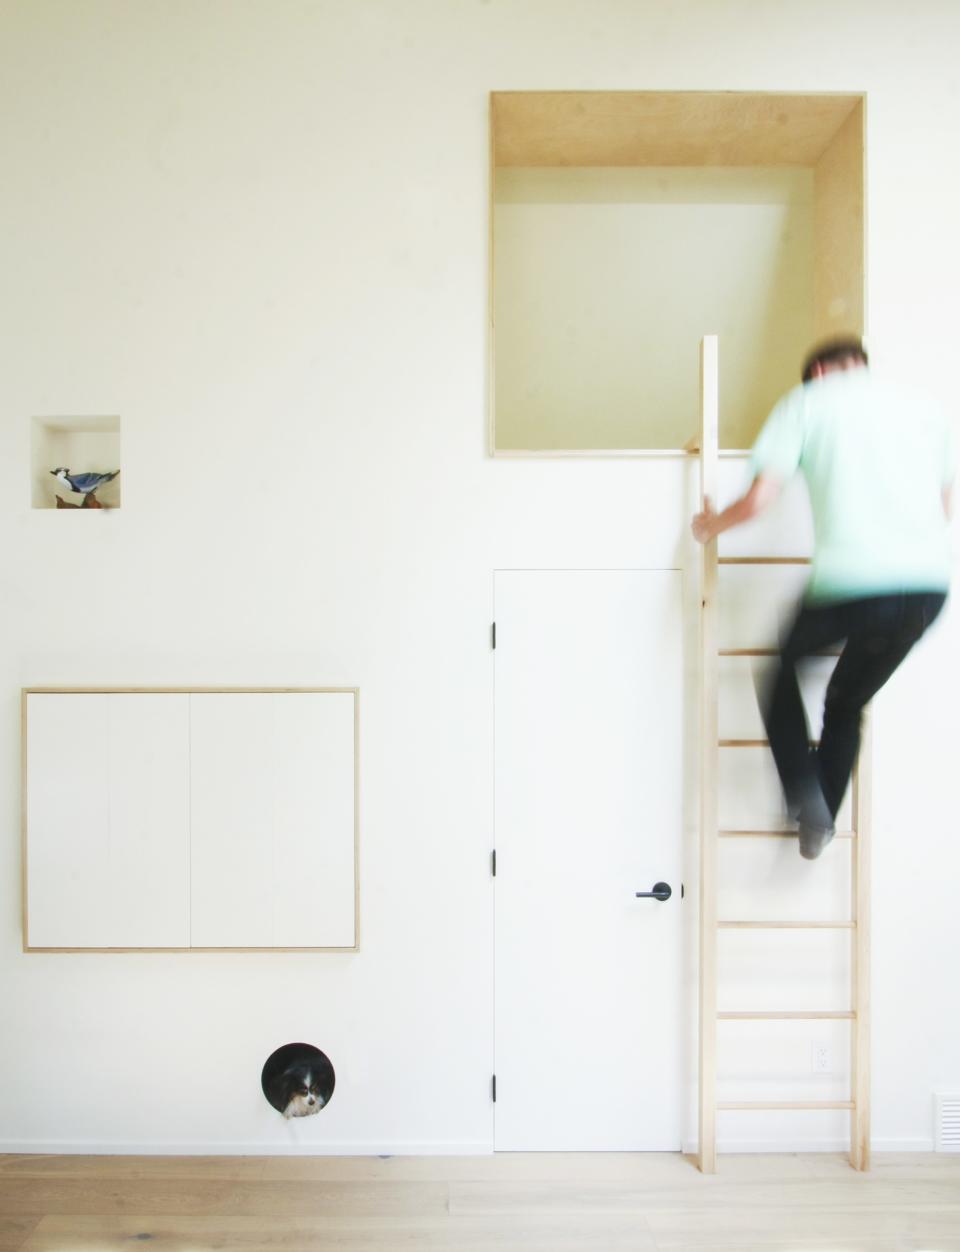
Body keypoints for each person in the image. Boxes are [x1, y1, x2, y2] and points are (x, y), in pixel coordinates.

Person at [692, 337, 954, 859]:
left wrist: (709, 526)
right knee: (846, 702)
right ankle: (822, 820)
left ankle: (804, 795)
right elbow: (945, 506)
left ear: (817, 370)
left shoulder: (808, 401)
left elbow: (762, 497)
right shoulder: (925, 410)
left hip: (854, 586)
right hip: (927, 590)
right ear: (862, 366)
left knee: (780, 668)